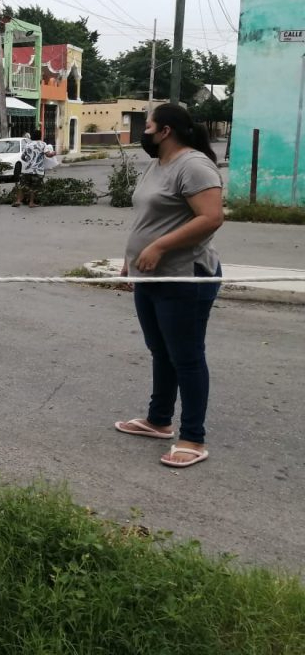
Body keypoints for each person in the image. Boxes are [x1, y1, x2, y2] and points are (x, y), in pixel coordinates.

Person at [115, 103, 224, 469]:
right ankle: (158, 420)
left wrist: (159, 246)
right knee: (160, 350)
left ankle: (193, 437)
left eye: (147, 126)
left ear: (165, 131)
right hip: (151, 275)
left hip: (184, 275)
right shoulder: (155, 164)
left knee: (187, 357)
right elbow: (149, 217)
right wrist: (131, 258)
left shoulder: (193, 165)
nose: (142, 132)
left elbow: (211, 218)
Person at [12, 129, 54, 208]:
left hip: (27, 169)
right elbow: (48, 155)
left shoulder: (28, 144)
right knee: (34, 187)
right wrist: (53, 154)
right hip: (38, 170)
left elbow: (22, 157)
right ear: (40, 136)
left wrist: (28, 161)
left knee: (22, 185)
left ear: (32, 136)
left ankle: (18, 201)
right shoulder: (43, 144)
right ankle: (31, 203)